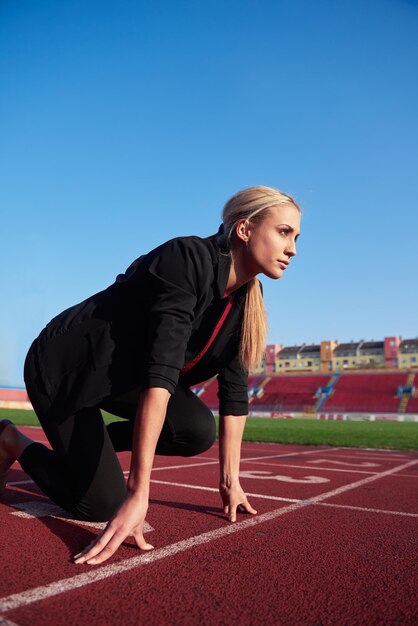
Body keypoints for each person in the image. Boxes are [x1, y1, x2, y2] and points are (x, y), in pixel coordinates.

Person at [0, 185, 301, 565]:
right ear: (244, 229)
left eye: (296, 237)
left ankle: (93, 452)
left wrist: (231, 482)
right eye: (284, 232)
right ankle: (10, 439)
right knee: (99, 504)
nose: (293, 249)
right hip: (66, 368)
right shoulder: (187, 258)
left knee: (196, 430)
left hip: (121, 377)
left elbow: (234, 395)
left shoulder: (244, 303)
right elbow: (161, 373)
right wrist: (138, 491)